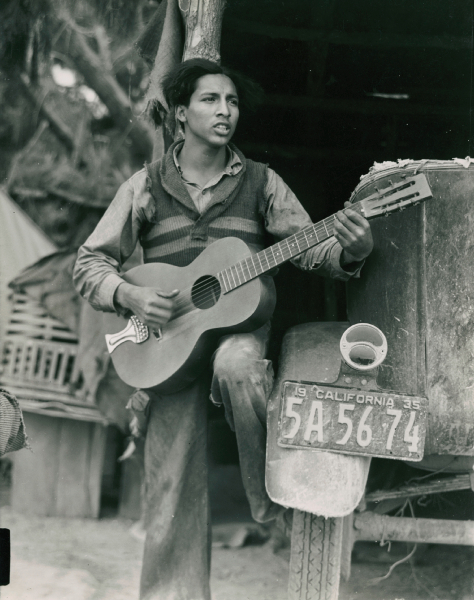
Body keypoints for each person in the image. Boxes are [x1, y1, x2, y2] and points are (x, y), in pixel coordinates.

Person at [73, 58, 373, 600]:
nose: (226, 111)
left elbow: (310, 248)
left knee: (238, 367)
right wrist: (131, 293)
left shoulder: (262, 183)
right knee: (169, 481)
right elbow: (89, 264)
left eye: (232, 102)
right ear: (182, 114)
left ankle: (264, 498)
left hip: (237, 332)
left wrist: (350, 251)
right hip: (167, 347)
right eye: (212, 100)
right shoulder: (144, 186)